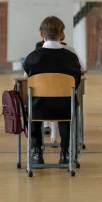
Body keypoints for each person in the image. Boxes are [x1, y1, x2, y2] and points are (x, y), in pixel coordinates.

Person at [23, 16, 81, 166]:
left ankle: (36, 152)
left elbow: (27, 81)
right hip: (65, 108)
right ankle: (65, 153)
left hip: (38, 108)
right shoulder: (72, 58)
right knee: (68, 104)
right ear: (62, 35)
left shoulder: (31, 58)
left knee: (30, 104)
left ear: (41, 34)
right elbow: (76, 84)